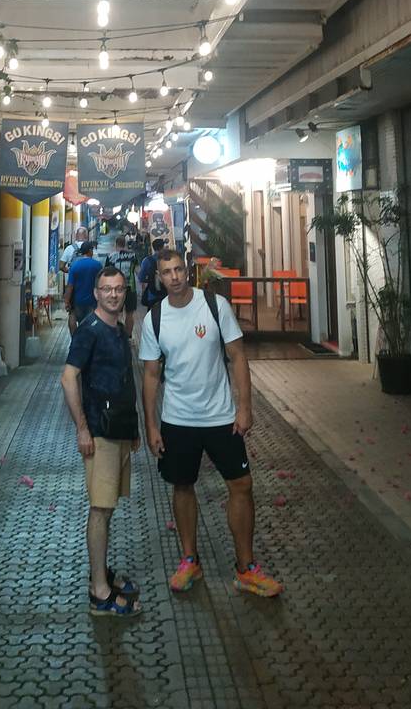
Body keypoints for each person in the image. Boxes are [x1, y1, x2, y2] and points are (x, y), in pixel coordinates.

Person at [139, 249, 283, 598]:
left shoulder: (215, 306)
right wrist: (152, 426)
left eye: (178, 269)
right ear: (159, 277)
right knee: (182, 486)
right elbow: (151, 375)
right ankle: (190, 560)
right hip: (178, 419)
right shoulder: (155, 319)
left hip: (220, 417)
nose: (174, 277)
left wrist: (244, 407)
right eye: (167, 272)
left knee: (242, 485)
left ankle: (246, 568)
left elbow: (237, 356)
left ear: (187, 271)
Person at [60, 266, 142, 617]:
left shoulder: (119, 331)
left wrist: (134, 429)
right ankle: (99, 591)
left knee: (107, 508)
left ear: (124, 293)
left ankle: (101, 574)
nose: (113, 295)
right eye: (106, 289)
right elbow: (68, 378)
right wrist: (82, 428)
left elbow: (124, 382)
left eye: (119, 289)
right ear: (96, 293)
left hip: (119, 431)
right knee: (100, 509)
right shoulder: (89, 330)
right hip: (100, 433)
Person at [63, 241, 102, 335]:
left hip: (77, 301)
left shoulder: (74, 266)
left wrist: (67, 301)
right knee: (91, 323)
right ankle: (88, 341)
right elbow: (102, 284)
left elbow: (70, 286)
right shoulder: (98, 265)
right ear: (90, 251)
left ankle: (75, 339)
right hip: (93, 301)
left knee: (72, 316)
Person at [106, 234, 139, 336]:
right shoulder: (133, 255)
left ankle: (118, 335)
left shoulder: (111, 256)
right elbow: (138, 271)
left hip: (116, 289)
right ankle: (128, 336)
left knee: (117, 313)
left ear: (116, 244)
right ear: (125, 244)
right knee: (130, 314)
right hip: (131, 288)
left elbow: (107, 273)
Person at [137, 238, 167, 309]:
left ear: (153, 248)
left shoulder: (147, 260)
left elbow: (141, 278)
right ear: (163, 247)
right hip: (167, 295)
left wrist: (150, 279)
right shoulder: (169, 259)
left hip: (152, 295)